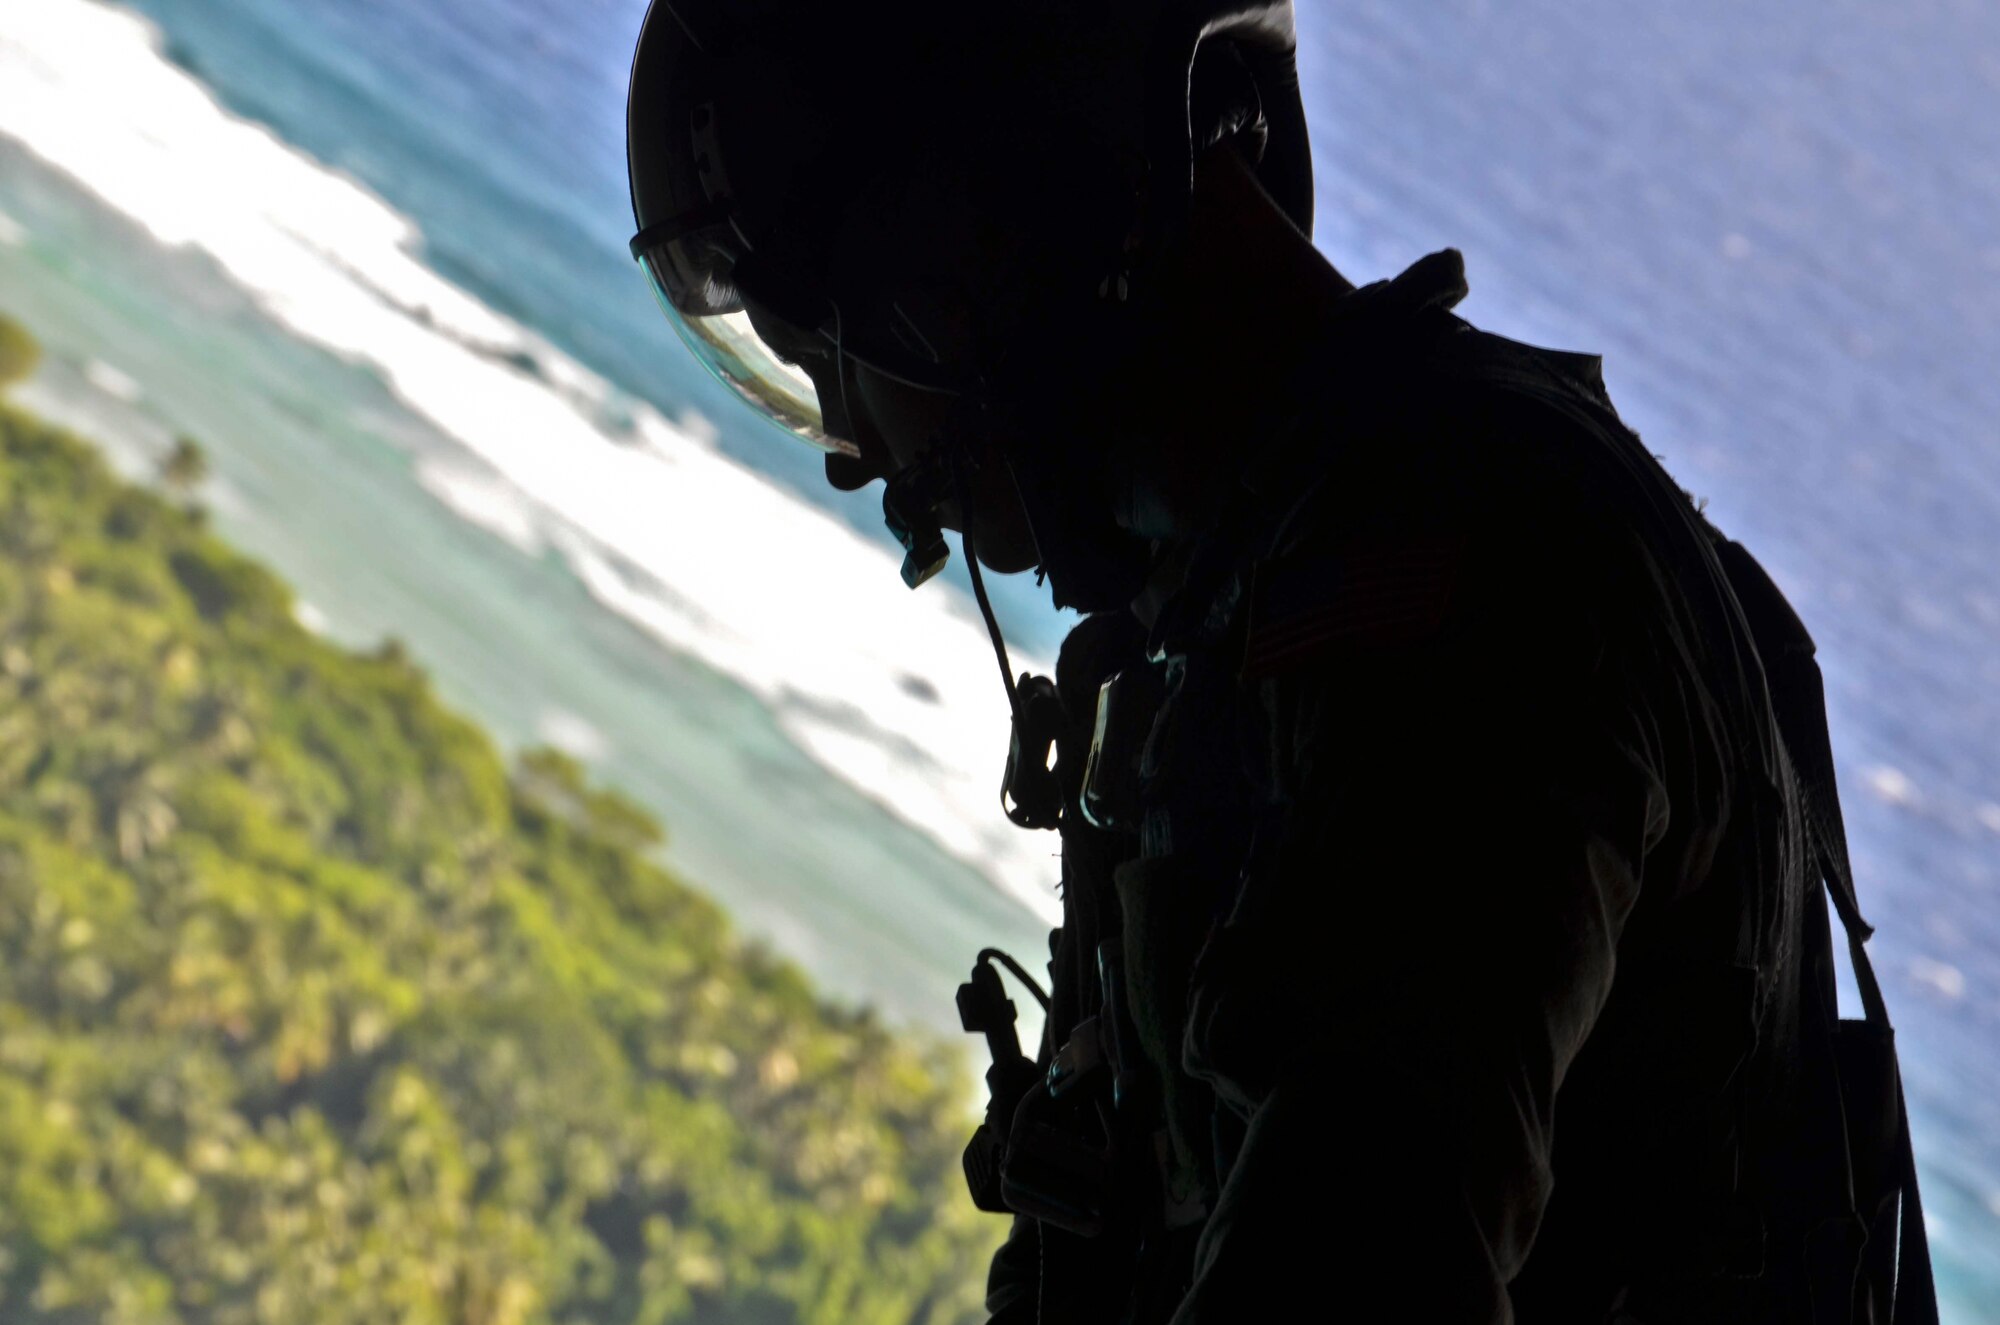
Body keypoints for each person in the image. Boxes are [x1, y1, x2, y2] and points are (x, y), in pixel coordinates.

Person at [622, 2, 1937, 1320]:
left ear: (989, 231)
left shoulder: (1464, 583)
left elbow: (1355, 1258)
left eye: (836, 352)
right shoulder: (1269, 592)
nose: (852, 441)